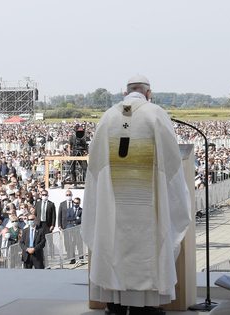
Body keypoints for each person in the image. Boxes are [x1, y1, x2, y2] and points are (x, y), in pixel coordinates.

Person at [82, 75, 191, 315]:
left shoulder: (108, 116)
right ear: (148, 93)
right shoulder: (155, 114)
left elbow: (95, 167)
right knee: (147, 247)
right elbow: (172, 165)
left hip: (114, 200)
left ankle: (115, 302)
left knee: (113, 244)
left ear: (125, 93)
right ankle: (145, 306)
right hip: (146, 200)